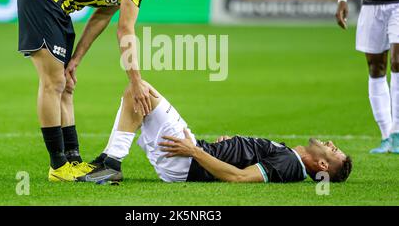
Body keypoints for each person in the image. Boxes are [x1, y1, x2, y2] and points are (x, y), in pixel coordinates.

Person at [17, 0, 200, 181]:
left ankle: (72, 161)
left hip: (57, 8)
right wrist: (135, 81)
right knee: (53, 84)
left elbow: (102, 15)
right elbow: (125, 30)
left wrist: (76, 60)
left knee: (66, 84)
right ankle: (58, 167)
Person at [78, 82, 352, 184]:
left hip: (186, 158)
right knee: (137, 99)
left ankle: (111, 164)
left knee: (140, 91)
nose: (330, 143)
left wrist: (193, 150)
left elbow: (239, 177)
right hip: (191, 155)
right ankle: (109, 162)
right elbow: (245, 161)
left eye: (333, 149)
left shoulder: (290, 164)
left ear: (323, 164)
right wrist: (233, 146)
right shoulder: (291, 157)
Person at [335, 0, 399, 154]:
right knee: (375, 66)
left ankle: (397, 132)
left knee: (397, 60)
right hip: (373, 2)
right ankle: (386, 135)